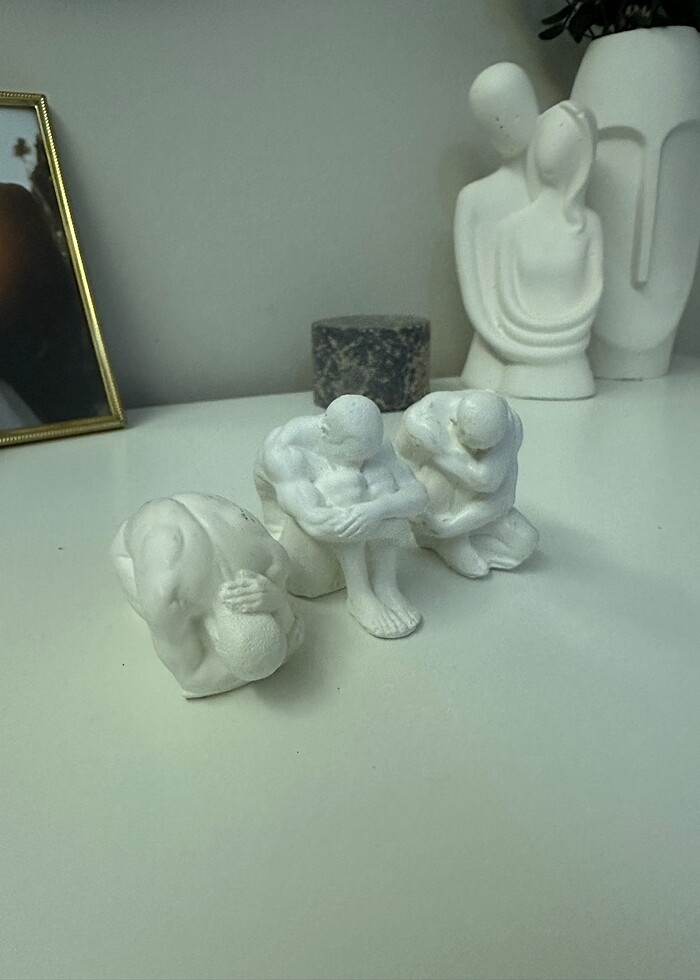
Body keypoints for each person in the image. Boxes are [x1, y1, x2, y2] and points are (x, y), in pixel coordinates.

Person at [254, 394, 428, 639]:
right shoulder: (286, 451)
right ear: (326, 433)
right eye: (352, 455)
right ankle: (360, 593)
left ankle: (385, 584)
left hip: (354, 538)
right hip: (300, 553)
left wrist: (377, 510)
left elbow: (418, 495)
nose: (360, 463)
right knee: (345, 485)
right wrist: (394, 526)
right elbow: (317, 522)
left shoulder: (373, 442)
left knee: (380, 481)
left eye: (366, 455)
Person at [111, 493, 303, 698]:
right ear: (215, 640)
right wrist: (282, 644)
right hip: (126, 550)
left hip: (194, 511)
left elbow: (293, 632)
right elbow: (192, 681)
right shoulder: (169, 599)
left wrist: (277, 599)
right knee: (159, 618)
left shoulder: (273, 560)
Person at [393, 390, 538, 578]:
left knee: (524, 542)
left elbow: (499, 492)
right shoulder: (424, 420)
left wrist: (454, 526)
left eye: (484, 448)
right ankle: (441, 540)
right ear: (454, 423)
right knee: (443, 476)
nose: (477, 451)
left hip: (469, 512)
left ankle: (453, 537)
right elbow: (399, 467)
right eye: (473, 444)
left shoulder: (510, 426)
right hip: (432, 505)